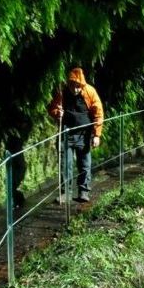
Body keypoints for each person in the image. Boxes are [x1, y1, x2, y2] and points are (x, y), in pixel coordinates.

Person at [48, 67, 104, 203]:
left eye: (78, 87)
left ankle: (83, 192)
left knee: (85, 164)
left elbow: (98, 113)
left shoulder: (90, 92)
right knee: (65, 165)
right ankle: (65, 193)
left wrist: (96, 135)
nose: (75, 89)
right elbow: (52, 108)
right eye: (73, 86)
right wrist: (57, 112)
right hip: (65, 134)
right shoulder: (62, 92)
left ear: (82, 85)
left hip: (84, 134)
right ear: (69, 83)